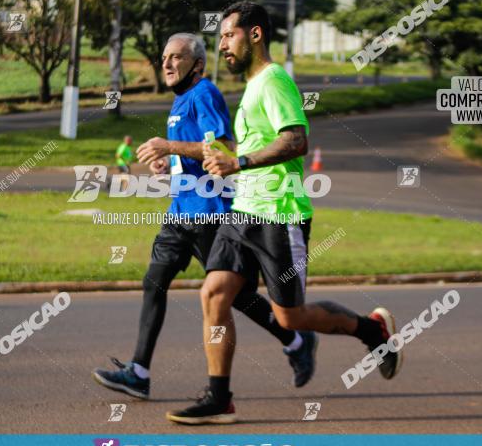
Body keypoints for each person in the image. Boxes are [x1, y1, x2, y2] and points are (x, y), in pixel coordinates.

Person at [166, 2, 402, 425]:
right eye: (220, 38)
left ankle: (372, 331)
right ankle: (219, 397)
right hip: (242, 212)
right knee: (214, 294)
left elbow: (295, 141)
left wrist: (238, 163)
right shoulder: (253, 88)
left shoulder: (274, 82)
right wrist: (196, 157)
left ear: (254, 34)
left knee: (288, 316)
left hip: (280, 213)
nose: (223, 46)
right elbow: (247, 148)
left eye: (228, 36)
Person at [91, 33, 316, 400]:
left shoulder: (205, 93)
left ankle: (294, 340)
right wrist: (169, 163)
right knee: (154, 282)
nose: (166, 63)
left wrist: (170, 146)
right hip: (180, 212)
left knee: (239, 297)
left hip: (211, 214)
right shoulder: (179, 102)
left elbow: (223, 147)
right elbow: (194, 155)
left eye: (176, 57)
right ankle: (140, 372)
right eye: (164, 57)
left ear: (196, 65)